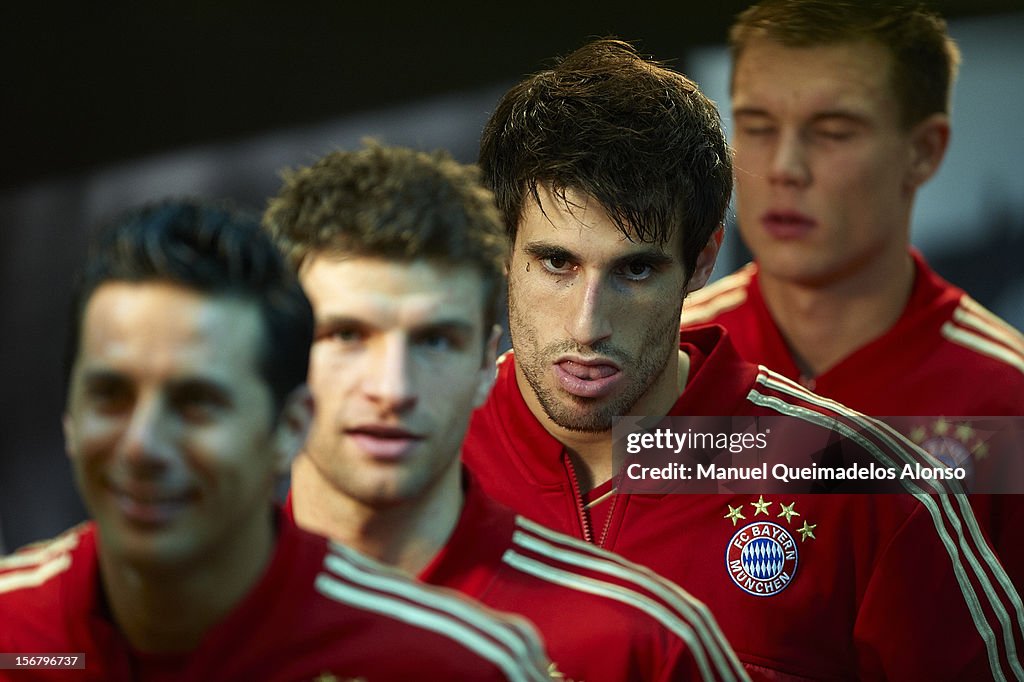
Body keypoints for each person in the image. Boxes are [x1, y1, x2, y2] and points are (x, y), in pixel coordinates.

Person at [464, 38, 1024, 680]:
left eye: (636, 269)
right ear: (501, 246)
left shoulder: (868, 488)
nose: (588, 325)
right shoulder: (409, 459)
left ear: (703, 260)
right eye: (556, 263)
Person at [0, 199, 551, 682]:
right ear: (69, 414)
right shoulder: (11, 631)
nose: (142, 444)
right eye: (111, 396)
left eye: (197, 403)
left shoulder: (458, 665)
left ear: (289, 428)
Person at [263, 142, 749, 682]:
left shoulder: (643, 639)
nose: (392, 388)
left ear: (483, 364)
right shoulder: (162, 610)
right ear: (273, 361)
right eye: (347, 335)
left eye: (435, 341)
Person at [679, 0, 1024, 589]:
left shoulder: (1006, 400)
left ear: (924, 151)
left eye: (833, 132)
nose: (785, 167)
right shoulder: (665, 354)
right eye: (757, 127)